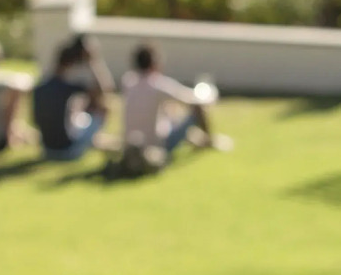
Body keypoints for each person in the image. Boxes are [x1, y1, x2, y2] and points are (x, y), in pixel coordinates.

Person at [119, 43, 218, 173]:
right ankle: (209, 141)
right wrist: (211, 93)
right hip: (157, 145)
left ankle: (197, 140)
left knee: (170, 112)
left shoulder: (128, 81)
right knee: (197, 110)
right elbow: (195, 101)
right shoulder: (158, 84)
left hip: (129, 142)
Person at [32, 36, 114, 163]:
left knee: (79, 113)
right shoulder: (68, 88)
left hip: (46, 149)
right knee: (103, 109)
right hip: (67, 151)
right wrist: (93, 61)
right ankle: (92, 142)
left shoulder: (40, 87)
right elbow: (105, 89)